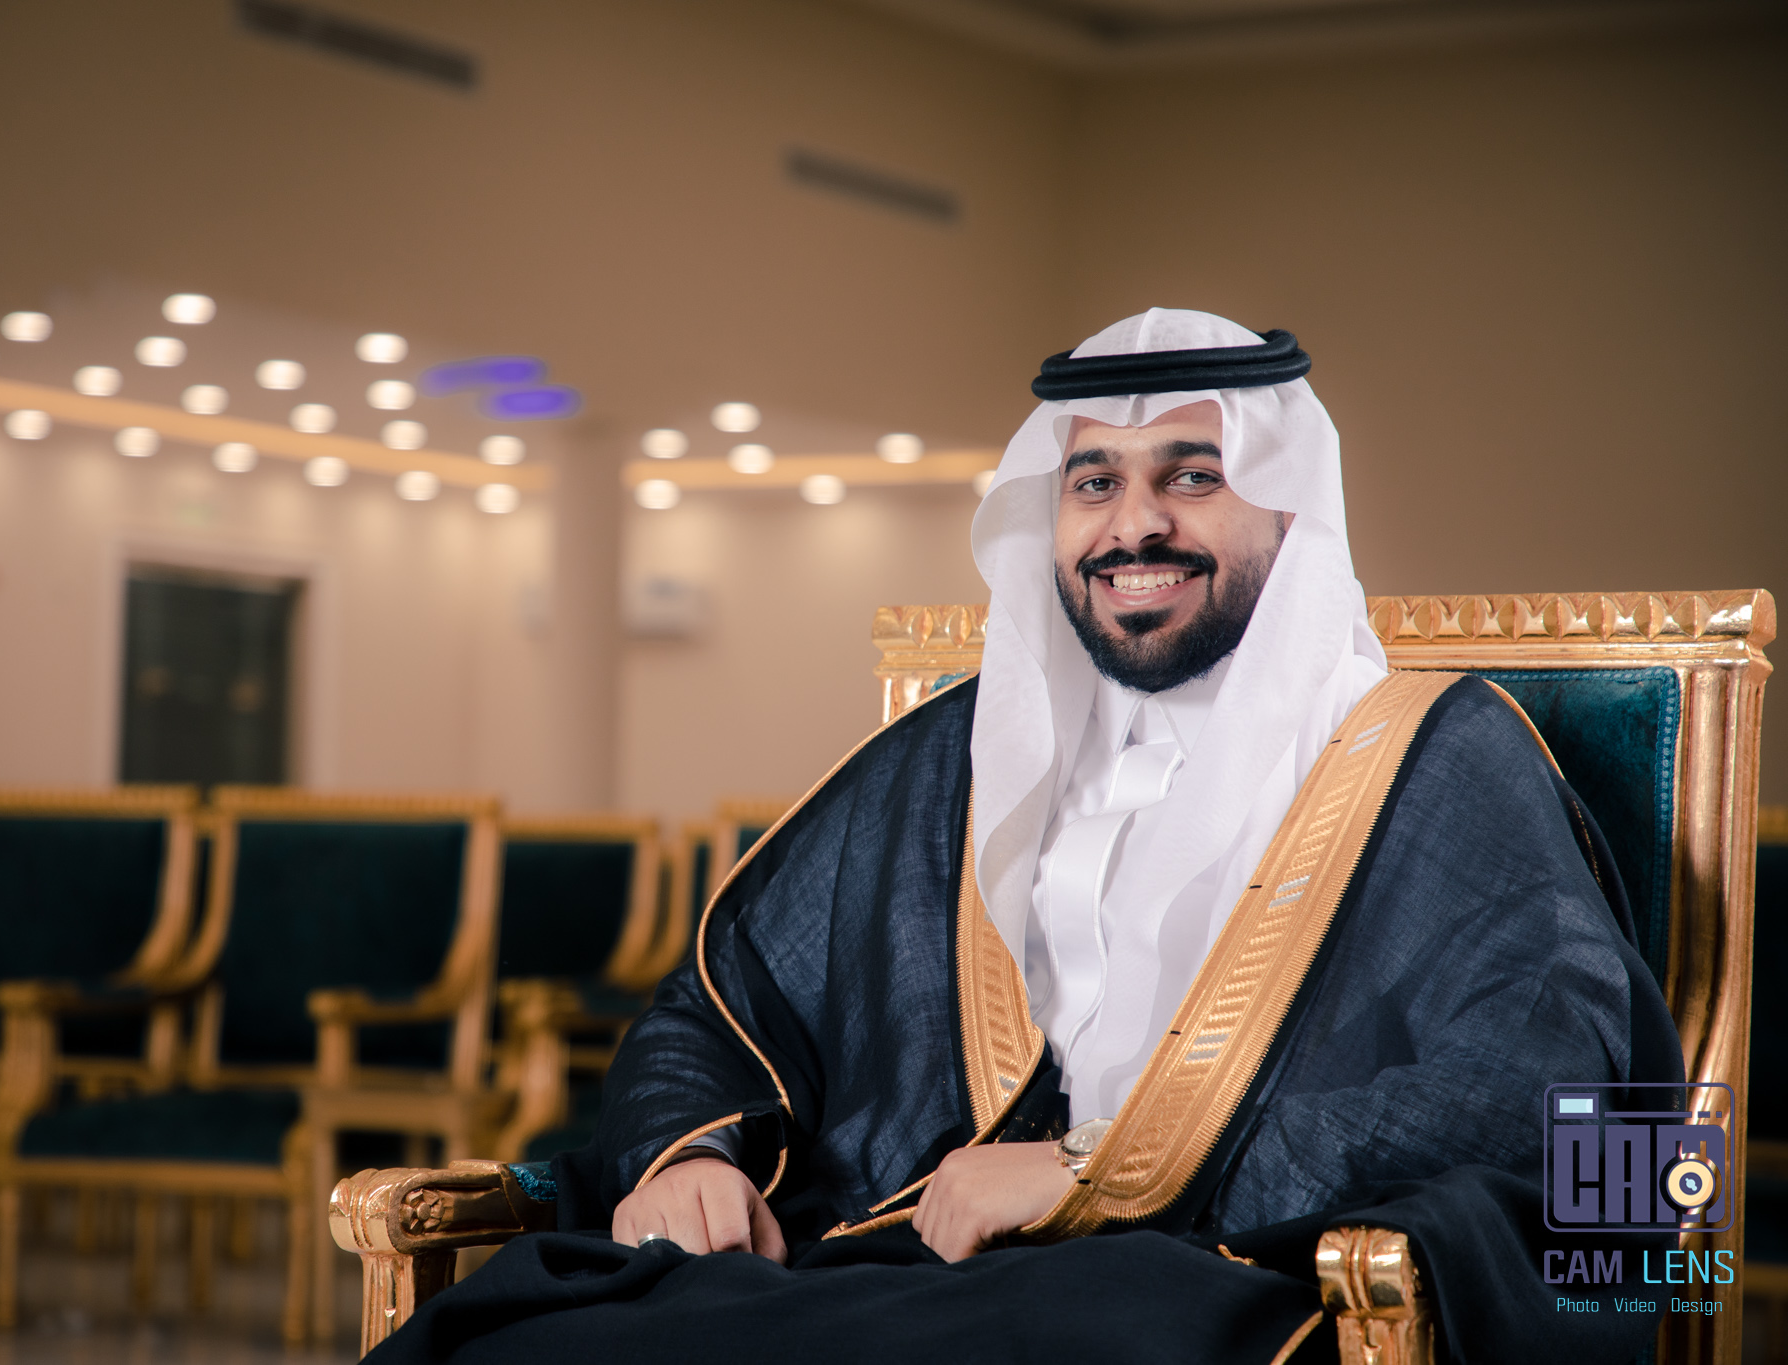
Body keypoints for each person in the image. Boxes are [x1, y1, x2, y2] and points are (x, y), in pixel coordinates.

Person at [371, 310, 1682, 1365]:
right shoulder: (960, 753)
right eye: (1094, 482)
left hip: (1208, 1278)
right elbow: (715, 1006)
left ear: (1288, 513)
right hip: (884, 1261)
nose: (1135, 524)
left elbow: (1553, 1095)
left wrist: (1094, 1175)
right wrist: (690, 1156)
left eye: (1194, 476)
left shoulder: (1430, 755)